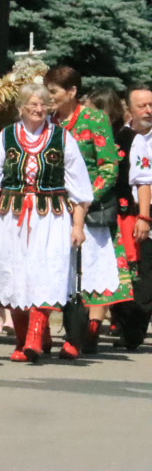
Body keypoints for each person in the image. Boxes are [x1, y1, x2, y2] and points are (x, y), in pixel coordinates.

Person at [0, 84, 92, 362]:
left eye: (43, 105)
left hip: (51, 216)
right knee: (13, 272)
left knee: (46, 271)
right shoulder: (6, 137)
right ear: (21, 108)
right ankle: (21, 338)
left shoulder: (63, 138)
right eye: (32, 105)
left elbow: (80, 188)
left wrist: (77, 226)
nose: (39, 110)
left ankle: (34, 338)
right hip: (10, 216)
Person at [45, 65, 129, 359]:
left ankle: (83, 332)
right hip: (53, 210)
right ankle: (43, 331)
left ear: (72, 92)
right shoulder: (47, 122)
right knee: (55, 271)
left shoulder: (94, 120)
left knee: (87, 273)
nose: (48, 96)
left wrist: (85, 198)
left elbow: (108, 165)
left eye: (53, 91)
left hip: (89, 209)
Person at [94, 86, 152, 350]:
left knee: (138, 275)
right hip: (117, 212)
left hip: (133, 212)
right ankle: (123, 326)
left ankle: (130, 325)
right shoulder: (109, 137)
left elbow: (142, 181)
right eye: (142, 106)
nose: (148, 111)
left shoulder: (133, 138)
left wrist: (142, 215)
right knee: (127, 273)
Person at [121, 87, 152, 350]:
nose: (148, 111)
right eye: (142, 106)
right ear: (130, 109)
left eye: (151, 105)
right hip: (127, 211)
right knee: (136, 273)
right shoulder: (122, 137)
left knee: (147, 274)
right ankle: (130, 328)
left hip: (146, 211)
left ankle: (134, 330)